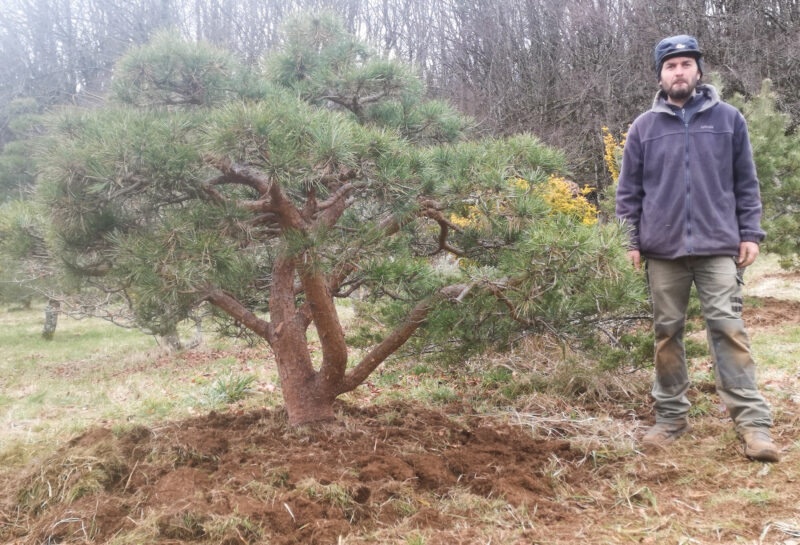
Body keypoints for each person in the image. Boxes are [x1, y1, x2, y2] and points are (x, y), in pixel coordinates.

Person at [616, 35, 779, 462]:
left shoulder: (729, 120)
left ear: (698, 71)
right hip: (663, 251)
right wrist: (630, 240)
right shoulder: (643, 128)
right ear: (660, 76)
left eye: (686, 64)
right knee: (667, 333)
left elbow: (746, 182)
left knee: (728, 329)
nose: (679, 72)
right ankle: (670, 418)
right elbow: (628, 192)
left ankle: (753, 424)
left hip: (717, 247)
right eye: (670, 66)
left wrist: (750, 233)